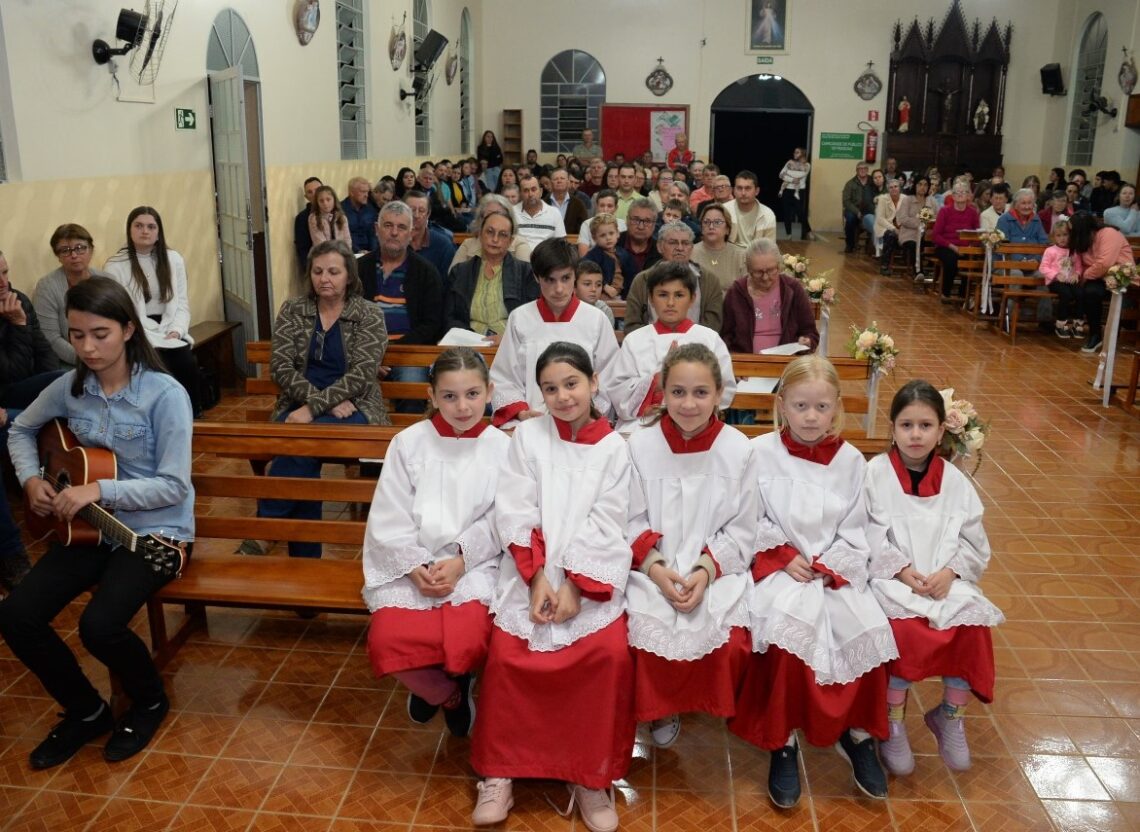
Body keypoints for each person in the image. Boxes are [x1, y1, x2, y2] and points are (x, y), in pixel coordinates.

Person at [0, 276, 193, 769]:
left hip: (155, 533)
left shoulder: (165, 394)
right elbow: (20, 429)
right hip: (89, 528)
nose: (87, 348)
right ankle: (87, 711)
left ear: (128, 330)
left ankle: (149, 701)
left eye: (100, 334)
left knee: (99, 626)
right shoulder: (69, 387)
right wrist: (30, 480)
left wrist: (100, 489)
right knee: (17, 615)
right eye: (77, 334)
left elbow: (173, 485)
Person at [469, 342, 635, 831]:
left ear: (594, 382)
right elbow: (515, 509)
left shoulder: (614, 448)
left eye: (572, 384)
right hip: (530, 574)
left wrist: (576, 589)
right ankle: (499, 772)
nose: (563, 396)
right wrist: (539, 577)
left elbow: (608, 521)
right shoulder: (527, 438)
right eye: (550, 388)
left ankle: (590, 776)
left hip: (590, 578)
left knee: (607, 658)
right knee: (507, 657)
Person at [730, 355, 895, 807]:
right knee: (788, 637)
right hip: (780, 569)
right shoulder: (759, 453)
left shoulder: (851, 461)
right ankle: (782, 740)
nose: (810, 417)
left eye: (822, 407)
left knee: (866, 629)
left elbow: (857, 527)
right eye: (801, 406)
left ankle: (856, 734)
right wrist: (782, 555)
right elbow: (747, 516)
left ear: (836, 407)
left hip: (831, 571)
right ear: (782, 404)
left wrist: (831, 564)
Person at [362, 347, 508, 738]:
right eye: (449, 396)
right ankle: (447, 693)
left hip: (473, 566)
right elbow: (390, 514)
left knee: (469, 639)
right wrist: (413, 568)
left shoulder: (503, 449)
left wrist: (461, 561)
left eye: (473, 394)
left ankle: (454, 676)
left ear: (490, 391)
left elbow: (503, 517)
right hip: (413, 564)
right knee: (387, 641)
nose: (462, 406)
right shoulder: (408, 443)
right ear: (431, 396)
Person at [867, 381, 1004, 776]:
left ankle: (949, 716)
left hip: (944, 580)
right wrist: (899, 568)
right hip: (893, 579)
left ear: (942, 431)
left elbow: (974, 541)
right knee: (904, 632)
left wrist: (951, 572)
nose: (916, 434)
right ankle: (892, 722)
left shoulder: (956, 482)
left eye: (925, 426)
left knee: (972, 629)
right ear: (892, 428)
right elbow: (865, 533)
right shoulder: (874, 475)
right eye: (906, 425)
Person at [624, 343, 754, 748]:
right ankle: (661, 707)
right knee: (641, 631)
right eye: (678, 392)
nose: (689, 404)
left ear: (719, 394)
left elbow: (743, 527)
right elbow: (628, 518)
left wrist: (704, 571)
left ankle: (695, 702)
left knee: (729, 640)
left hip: (711, 569)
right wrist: (656, 569)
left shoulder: (739, 449)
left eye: (701, 392)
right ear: (662, 391)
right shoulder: (639, 445)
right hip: (651, 568)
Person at [245, 240, 388, 558]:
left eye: (334, 272)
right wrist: (319, 402)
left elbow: (362, 375)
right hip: (299, 406)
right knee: (303, 452)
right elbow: (281, 368)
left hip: (357, 408)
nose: (325, 278)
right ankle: (305, 561)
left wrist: (313, 408)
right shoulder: (293, 310)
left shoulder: (369, 314)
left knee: (300, 442)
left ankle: (267, 527)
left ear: (349, 276)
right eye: (318, 271)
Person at [488, 239, 618, 426]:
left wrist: (587, 415)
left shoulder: (596, 320)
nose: (559, 289)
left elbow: (609, 378)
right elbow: (504, 377)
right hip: (531, 422)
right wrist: (522, 413)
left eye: (565, 278)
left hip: (582, 422)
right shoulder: (520, 318)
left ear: (575, 275)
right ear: (536, 277)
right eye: (550, 280)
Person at [605, 262, 735, 433]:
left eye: (679, 295)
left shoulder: (709, 339)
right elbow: (618, 392)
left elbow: (725, 390)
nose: (671, 302)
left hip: (696, 423)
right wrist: (657, 380)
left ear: (692, 299)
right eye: (663, 295)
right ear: (651, 298)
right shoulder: (635, 340)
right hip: (643, 424)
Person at [103, 206, 202, 417]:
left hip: (169, 327)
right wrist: (141, 334)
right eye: (138, 226)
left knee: (185, 362)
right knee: (153, 364)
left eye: (151, 227)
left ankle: (191, 417)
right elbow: (118, 311)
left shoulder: (173, 259)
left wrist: (177, 330)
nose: (145, 231)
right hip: (135, 329)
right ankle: (157, 418)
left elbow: (182, 304)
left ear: (159, 232)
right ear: (129, 230)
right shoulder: (115, 265)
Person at [445, 209, 538, 344]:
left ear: (510, 241)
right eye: (490, 232)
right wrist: (470, 338)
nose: (495, 239)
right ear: (480, 235)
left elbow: (533, 319)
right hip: (467, 344)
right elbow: (449, 317)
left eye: (503, 235)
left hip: (510, 344)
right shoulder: (460, 272)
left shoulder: (526, 272)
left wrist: (509, 339)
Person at [34, 225, 113, 370]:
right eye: (65, 250)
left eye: (80, 248)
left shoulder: (108, 280)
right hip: (71, 362)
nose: (74, 255)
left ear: (91, 250)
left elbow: (121, 322)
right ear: (58, 256)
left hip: (110, 355)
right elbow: (51, 338)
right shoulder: (47, 287)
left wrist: (112, 355)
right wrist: (90, 358)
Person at [719, 238, 818, 354]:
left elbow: (811, 333)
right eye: (758, 272)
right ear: (749, 269)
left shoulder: (793, 289)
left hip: (787, 361)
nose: (765, 277)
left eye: (771, 270)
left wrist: (807, 341)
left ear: (779, 266)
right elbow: (725, 336)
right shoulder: (736, 292)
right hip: (746, 360)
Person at [624, 222, 723, 333]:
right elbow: (632, 325)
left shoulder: (709, 281)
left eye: (685, 243)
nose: (680, 248)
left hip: (696, 342)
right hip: (651, 342)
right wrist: (657, 340)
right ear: (659, 247)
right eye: (673, 243)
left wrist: (687, 341)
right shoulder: (642, 280)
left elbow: (713, 325)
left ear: (691, 248)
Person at [0, 249, 61, 427]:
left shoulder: (18, 299)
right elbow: (13, 374)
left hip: (25, 383)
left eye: (5, 272)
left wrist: (54, 390)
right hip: (5, 394)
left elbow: (43, 350)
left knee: (68, 381)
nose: (3, 282)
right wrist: (19, 324)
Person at [1066, 212, 1136, 353]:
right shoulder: (1084, 240)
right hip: (1098, 277)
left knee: (1106, 292)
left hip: (1121, 276)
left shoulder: (1108, 233)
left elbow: (1104, 263)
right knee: (1090, 292)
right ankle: (1095, 334)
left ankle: (1116, 335)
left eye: (1073, 230)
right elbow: (1083, 263)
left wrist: (1085, 275)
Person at [451, 195, 534, 269]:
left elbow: (528, 277)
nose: (495, 220)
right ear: (480, 219)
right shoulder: (468, 245)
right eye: (489, 215)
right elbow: (454, 276)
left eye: (500, 215)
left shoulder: (519, 244)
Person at [932, 182, 981, 301]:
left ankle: (964, 295)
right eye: (957, 192)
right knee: (951, 260)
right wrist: (953, 247)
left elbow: (978, 234)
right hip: (946, 246)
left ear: (968, 195)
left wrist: (970, 247)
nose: (960, 194)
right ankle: (946, 293)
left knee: (972, 261)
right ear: (952, 196)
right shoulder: (944, 211)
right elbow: (936, 235)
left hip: (966, 248)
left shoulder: (973, 212)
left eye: (963, 192)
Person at [1039, 220, 1083, 339]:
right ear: (1054, 237)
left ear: (1070, 235)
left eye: (1065, 235)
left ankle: (1077, 323)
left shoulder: (1074, 251)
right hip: (1055, 282)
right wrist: (1056, 275)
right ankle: (1061, 324)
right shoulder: (1050, 250)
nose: (1062, 238)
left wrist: (1077, 274)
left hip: (1070, 281)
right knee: (1066, 294)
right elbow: (1043, 267)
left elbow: (1079, 267)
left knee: (1080, 293)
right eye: (1058, 235)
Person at [404, 189, 458, 280]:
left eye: (421, 211)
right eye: (411, 210)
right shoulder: (393, 242)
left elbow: (448, 283)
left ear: (428, 214)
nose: (416, 215)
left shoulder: (443, 246)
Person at [691, 204, 746, 292]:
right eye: (706, 222)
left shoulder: (741, 255)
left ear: (727, 229)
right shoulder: (690, 252)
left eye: (717, 222)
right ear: (701, 228)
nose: (711, 226)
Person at [582, 213, 637, 300]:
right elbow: (585, 271)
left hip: (622, 295)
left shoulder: (624, 254)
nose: (608, 238)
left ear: (618, 233)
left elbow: (631, 275)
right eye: (602, 235)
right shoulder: (593, 255)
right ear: (594, 238)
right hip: (601, 295)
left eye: (611, 233)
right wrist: (604, 286)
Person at [513, 174, 566, 247]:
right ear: (520, 194)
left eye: (533, 189)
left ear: (541, 192)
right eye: (526, 191)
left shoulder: (554, 213)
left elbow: (561, 244)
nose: (530, 194)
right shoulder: (512, 212)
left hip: (546, 253)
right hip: (519, 253)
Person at [725, 171, 777, 246]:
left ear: (757, 191)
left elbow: (770, 246)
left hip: (757, 252)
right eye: (739, 188)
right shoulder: (724, 210)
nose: (743, 193)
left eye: (748, 188)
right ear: (734, 191)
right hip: (730, 252)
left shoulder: (768, 214)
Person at [616, 199, 663, 278]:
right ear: (627, 220)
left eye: (647, 221)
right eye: (636, 220)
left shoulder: (661, 251)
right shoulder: (612, 244)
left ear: (654, 224)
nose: (641, 227)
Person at [577, 190, 626, 255]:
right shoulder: (586, 224)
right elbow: (583, 255)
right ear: (597, 206)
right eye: (602, 206)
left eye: (609, 206)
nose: (605, 210)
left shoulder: (623, 224)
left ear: (616, 208)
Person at [778, 148, 812, 239]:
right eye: (794, 152)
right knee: (787, 213)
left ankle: (808, 231)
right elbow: (781, 174)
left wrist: (788, 173)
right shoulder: (789, 162)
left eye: (797, 152)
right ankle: (788, 234)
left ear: (803, 154)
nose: (794, 153)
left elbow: (800, 175)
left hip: (799, 191)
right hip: (787, 190)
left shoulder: (807, 165)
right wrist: (792, 179)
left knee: (800, 213)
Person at [841, 163, 876, 254]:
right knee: (850, 219)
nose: (863, 170)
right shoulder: (850, 183)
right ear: (856, 170)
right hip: (854, 209)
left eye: (865, 168)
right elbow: (846, 201)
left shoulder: (873, 181)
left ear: (867, 170)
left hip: (870, 209)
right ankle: (850, 244)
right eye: (860, 168)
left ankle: (873, 246)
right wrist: (857, 212)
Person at [874, 178, 905, 275]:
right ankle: (884, 265)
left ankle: (915, 268)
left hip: (902, 227)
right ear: (888, 189)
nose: (893, 189)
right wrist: (894, 229)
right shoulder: (883, 199)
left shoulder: (905, 199)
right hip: (885, 227)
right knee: (890, 235)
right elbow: (880, 219)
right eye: (891, 187)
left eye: (896, 186)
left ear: (899, 188)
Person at [342, 176, 379, 254]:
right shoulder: (341, 210)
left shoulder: (370, 210)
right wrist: (358, 251)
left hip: (369, 253)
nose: (366, 195)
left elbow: (373, 235)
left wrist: (373, 253)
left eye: (367, 192)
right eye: (363, 192)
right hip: (348, 253)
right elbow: (342, 237)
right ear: (352, 193)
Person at [574, 260, 616, 328]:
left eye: (598, 285)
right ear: (574, 287)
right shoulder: (564, 308)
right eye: (587, 284)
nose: (593, 289)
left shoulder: (605, 310)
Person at [547, 168, 589, 235]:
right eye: (555, 179)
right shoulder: (542, 204)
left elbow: (584, 230)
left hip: (572, 240)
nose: (559, 181)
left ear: (568, 182)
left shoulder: (578, 204)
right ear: (551, 183)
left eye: (562, 178)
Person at [293, 176, 322, 266]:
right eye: (310, 192)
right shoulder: (302, 218)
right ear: (306, 197)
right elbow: (303, 249)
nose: (314, 194)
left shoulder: (336, 213)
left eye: (317, 190)